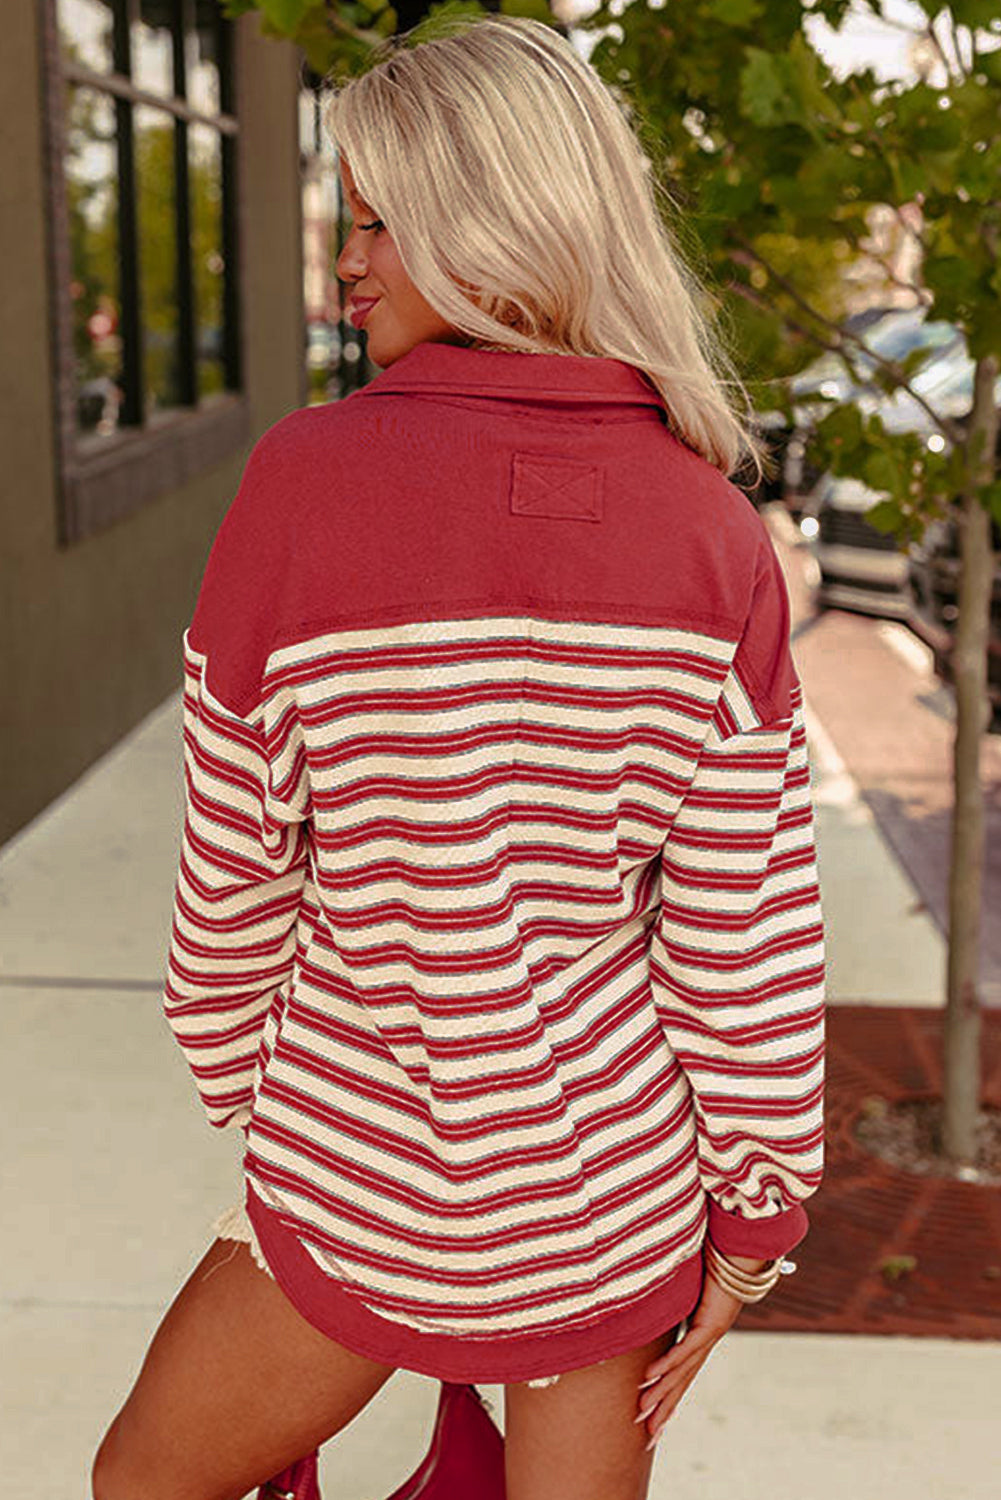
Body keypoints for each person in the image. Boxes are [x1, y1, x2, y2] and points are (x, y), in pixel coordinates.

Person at [91, 14, 826, 1500]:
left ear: (498, 222)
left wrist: (253, 1091)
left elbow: (233, 878)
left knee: (138, 1484)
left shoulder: (299, 485)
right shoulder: (709, 531)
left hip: (355, 1164)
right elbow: (741, 940)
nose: (347, 258)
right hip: (606, 1195)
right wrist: (749, 1228)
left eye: (378, 218)